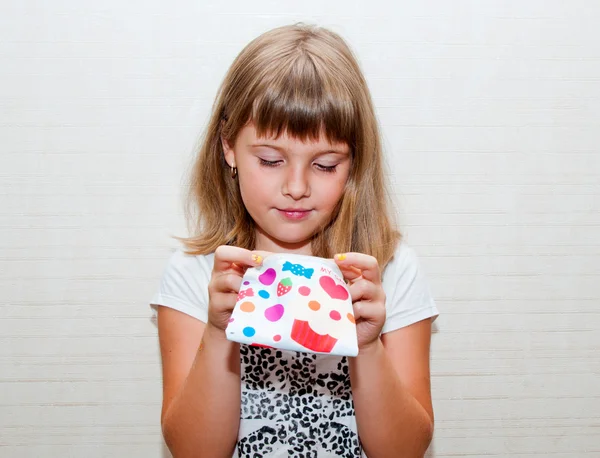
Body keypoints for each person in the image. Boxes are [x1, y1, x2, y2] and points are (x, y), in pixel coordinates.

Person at [150, 23, 439, 458]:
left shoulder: (387, 273)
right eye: (270, 160)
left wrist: (367, 345)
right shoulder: (196, 273)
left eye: (324, 165)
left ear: (354, 161)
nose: (297, 187)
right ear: (228, 145)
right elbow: (195, 451)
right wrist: (217, 331)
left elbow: (405, 451)